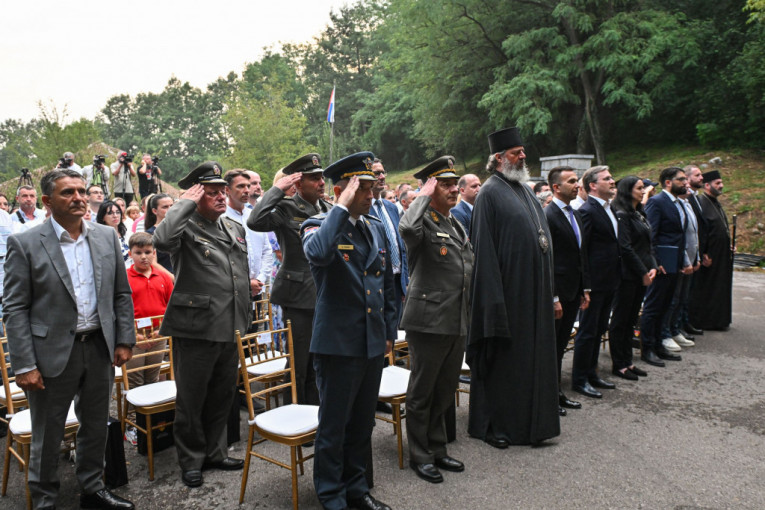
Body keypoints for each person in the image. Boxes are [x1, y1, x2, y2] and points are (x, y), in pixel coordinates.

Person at [4, 168, 136, 510]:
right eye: (68, 192)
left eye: (81, 190)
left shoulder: (106, 237)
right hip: (50, 354)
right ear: (47, 201)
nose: (78, 197)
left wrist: (124, 339)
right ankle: (45, 500)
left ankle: (93, 489)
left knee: (95, 425)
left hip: (99, 347)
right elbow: (15, 308)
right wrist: (24, 364)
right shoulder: (25, 243)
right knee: (48, 433)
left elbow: (121, 293)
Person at [301, 151, 396, 510]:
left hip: (371, 341)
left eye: (372, 188)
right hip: (338, 344)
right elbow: (319, 253)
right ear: (341, 191)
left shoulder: (373, 226)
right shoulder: (316, 225)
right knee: (334, 426)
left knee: (362, 423)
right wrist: (339, 208)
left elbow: (387, 284)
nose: (372, 195)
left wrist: (388, 331)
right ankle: (331, 495)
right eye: (363, 189)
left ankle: (357, 489)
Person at [153, 161, 250, 488]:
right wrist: (183, 204)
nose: (222, 196)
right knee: (192, 399)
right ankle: (192, 459)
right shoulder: (184, 225)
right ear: (196, 196)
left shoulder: (232, 226)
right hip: (196, 327)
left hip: (230, 324)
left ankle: (215, 452)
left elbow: (237, 273)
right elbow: (161, 241)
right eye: (212, 192)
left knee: (222, 395)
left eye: (223, 191)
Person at [467, 127, 560, 448]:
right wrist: (493, 303)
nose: (523, 156)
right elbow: (484, 253)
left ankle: (533, 424)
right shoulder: (489, 194)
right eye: (515, 152)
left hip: (534, 294)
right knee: (507, 366)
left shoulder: (524, 189)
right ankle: (498, 426)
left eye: (522, 151)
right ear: (498, 158)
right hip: (507, 298)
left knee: (532, 362)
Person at [398, 156, 473, 484]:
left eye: (455, 184)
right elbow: (406, 229)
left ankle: (438, 447)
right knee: (422, 391)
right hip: (428, 320)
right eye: (445, 185)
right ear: (430, 188)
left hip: (455, 318)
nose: (454, 189)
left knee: (444, 388)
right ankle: (420, 454)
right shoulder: (422, 220)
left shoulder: (453, 222)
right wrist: (422, 197)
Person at [248, 153, 332, 406]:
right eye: (314, 178)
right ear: (298, 183)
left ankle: (316, 411)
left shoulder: (328, 209)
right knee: (299, 361)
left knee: (322, 358)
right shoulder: (286, 208)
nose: (321, 183)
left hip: (327, 293)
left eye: (322, 177)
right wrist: (276, 190)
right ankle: (295, 411)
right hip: (299, 295)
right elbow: (255, 221)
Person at [544, 166, 590, 414]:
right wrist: (553, 297)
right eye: (571, 181)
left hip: (573, 291)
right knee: (551, 348)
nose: (577, 185)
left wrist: (585, 288)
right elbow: (548, 260)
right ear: (556, 187)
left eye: (577, 180)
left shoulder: (576, 214)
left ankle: (557, 393)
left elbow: (581, 255)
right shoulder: (548, 215)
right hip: (558, 294)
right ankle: (548, 397)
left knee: (561, 346)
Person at [571, 165, 620, 399]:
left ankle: (592, 373)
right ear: (592, 185)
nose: (612, 181)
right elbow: (583, 251)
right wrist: (586, 286)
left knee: (600, 329)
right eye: (607, 178)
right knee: (588, 331)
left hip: (609, 280)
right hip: (595, 283)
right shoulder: (588, 211)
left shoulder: (610, 208)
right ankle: (579, 379)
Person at [123, 232, 175, 445]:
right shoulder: (124, 278)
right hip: (134, 337)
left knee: (152, 379)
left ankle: (153, 423)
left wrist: (161, 330)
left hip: (157, 334)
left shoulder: (163, 277)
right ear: (130, 254)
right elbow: (120, 309)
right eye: (138, 252)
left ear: (154, 253)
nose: (143, 257)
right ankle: (134, 425)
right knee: (135, 382)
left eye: (147, 252)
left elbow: (171, 306)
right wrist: (131, 334)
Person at [640, 167, 691, 367]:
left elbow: (679, 235)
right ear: (668, 182)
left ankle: (659, 344)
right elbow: (651, 234)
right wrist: (656, 261)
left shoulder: (678, 203)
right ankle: (647, 348)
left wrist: (683, 261)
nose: (685, 183)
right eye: (681, 179)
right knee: (653, 306)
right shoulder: (657, 202)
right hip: (661, 264)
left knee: (665, 305)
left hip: (674, 263)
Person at [608, 176, 657, 380]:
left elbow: (647, 244)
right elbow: (625, 247)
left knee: (631, 320)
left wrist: (653, 266)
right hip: (627, 275)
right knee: (621, 320)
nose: (643, 191)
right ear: (627, 191)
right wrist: (643, 271)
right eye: (639, 188)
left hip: (641, 273)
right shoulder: (622, 215)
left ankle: (628, 361)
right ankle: (619, 364)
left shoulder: (639, 213)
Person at [223, 169, 273, 315]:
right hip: (231, 292)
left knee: (256, 328)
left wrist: (260, 279)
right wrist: (245, 283)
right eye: (240, 186)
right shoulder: (221, 218)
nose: (246, 190)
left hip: (257, 288)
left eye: (248, 186)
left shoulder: (254, 216)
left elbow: (267, 251)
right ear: (227, 190)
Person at [689, 170, 733, 331]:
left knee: (720, 288)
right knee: (708, 288)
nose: (721, 186)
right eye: (717, 183)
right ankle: (706, 321)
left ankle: (720, 320)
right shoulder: (702, 202)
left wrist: (728, 244)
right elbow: (700, 230)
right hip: (709, 255)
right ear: (707, 185)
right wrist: (703, 252)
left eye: (721, 182)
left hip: (721, 254)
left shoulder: (715, 202)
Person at [368, 158, 408, 321]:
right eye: (377, 173)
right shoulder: (362, 209)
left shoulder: (391, 207)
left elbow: (401, 246)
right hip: (376, 283)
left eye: (383, 172)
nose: (382, 176)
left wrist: (404, 280)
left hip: (396, 282)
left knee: (394, 330)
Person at [144, 193, 174, 273]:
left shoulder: (181, 228)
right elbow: (153, 263)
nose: (170, 209)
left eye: (172, 205)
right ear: (154, 211)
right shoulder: (149, 234)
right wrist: (173, 278)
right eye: (165, 207)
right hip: (166, 276)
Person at [450, 173, 480, 239]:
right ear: (462, 191)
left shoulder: (481, 209)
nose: (479, 189)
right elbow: (465, 240)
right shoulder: (457, 212)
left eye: (479, 185)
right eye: (474, 186)